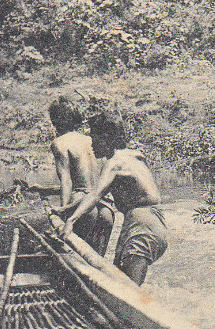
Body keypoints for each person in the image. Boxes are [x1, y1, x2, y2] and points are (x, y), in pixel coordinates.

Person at [58, 119, 167, 286]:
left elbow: (95, 194)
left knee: (129, 293)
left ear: (107, 138)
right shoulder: (136, 155)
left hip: (141, 227)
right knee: (119, 283)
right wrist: (67, 208)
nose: (92, 145)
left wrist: (71, 220)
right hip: (154, 223)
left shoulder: (113, 164)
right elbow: (98, 194)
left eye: (95, 139)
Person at [48, 98, 113, 254]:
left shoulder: (59, 143)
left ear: (56, 122)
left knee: (73, 256)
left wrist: (63, 211)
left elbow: (67, 181)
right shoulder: (90, 140)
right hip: (105, 206)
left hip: (81, 206)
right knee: (98, 263)